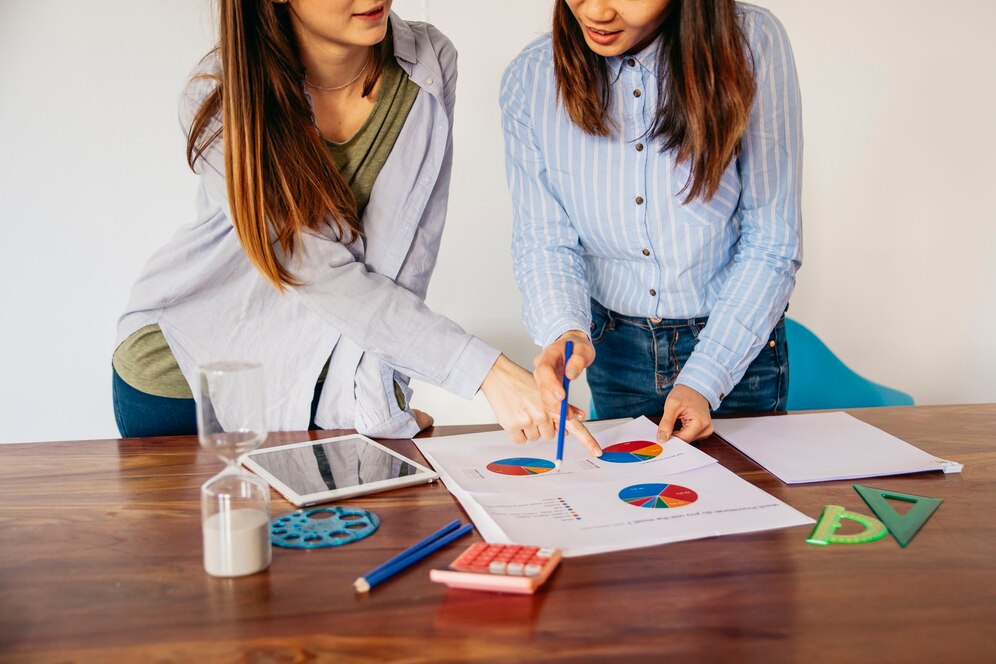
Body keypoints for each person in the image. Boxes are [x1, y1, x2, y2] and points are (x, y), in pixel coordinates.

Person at [112, 0, 599, 454]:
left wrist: (380, 402)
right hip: (184, 381)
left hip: (312, 396)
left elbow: (408, 261)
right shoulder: (222, 95)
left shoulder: (427, 65)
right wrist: (489, 373)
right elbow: (317, 274)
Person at [501, 0, 802, 445]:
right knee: (634, 504)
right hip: (616, 347)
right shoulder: (529, 78)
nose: (597, 12)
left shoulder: (751, 42)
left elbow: (772, 240)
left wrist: (705, 377)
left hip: (734, 346)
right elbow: (545, 239)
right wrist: (562, 330)